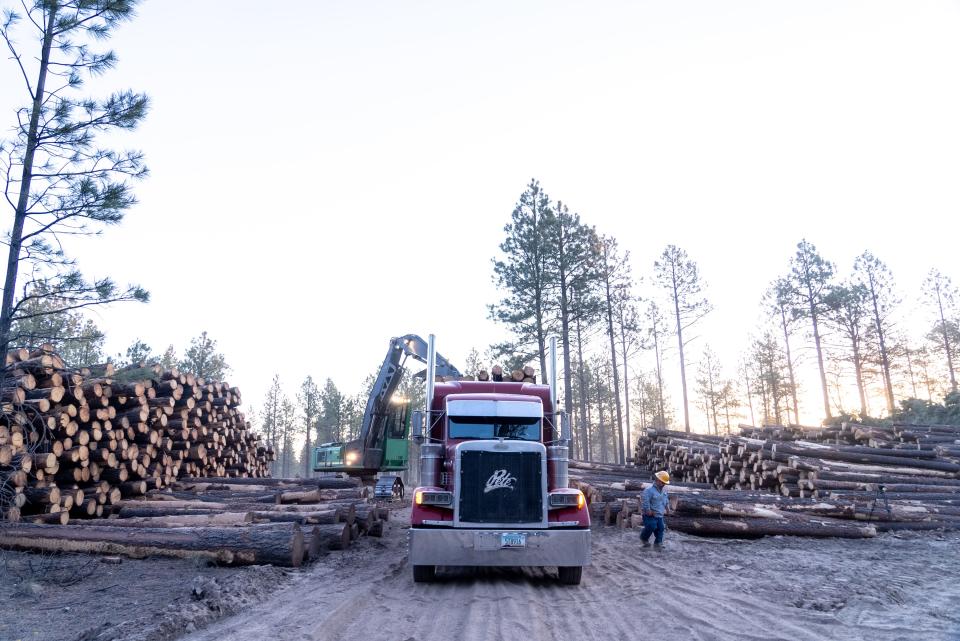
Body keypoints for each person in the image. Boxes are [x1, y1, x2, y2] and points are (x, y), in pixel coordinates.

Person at [640, 470, 670, 548]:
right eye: (663, 482)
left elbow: (666, 500)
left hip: (659, 514)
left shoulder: (664, 490)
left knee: (661, 528)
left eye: (665, 483)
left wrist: (667, 509)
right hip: (650, 514)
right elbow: (645, 501)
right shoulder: (649, 490)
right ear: (657, 480)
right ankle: (644, 538)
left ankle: (658, 543)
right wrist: (648, 510)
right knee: (651, 526)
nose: (664, 484)